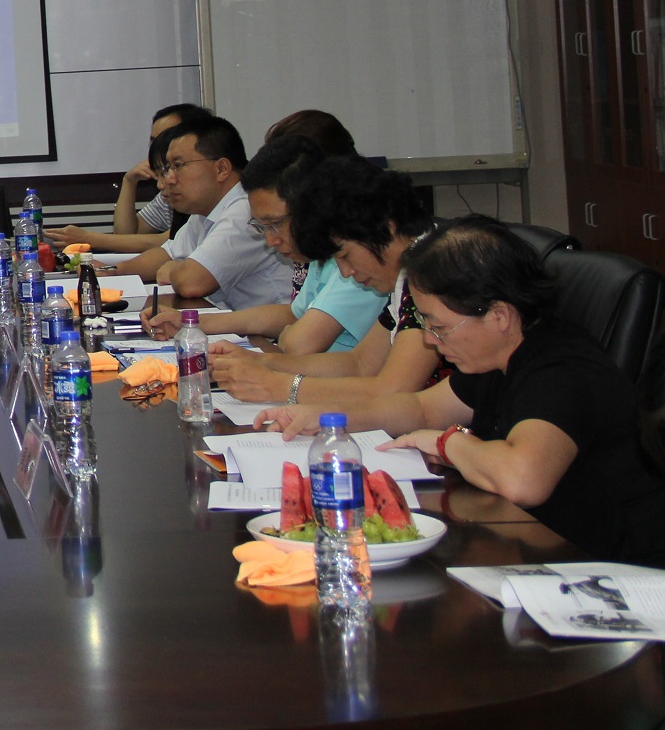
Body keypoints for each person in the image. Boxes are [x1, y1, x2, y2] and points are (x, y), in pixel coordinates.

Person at [258, 219, 665, 566]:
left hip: (607, 567)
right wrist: (327, 418)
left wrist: (447, 442)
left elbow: (523, 479)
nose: (431, 341)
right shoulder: (499, 354)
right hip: (535, 542)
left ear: (499, 315)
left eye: (440, 327)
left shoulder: (562, 369)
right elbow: (421, 409)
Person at [208, 156, 443, 408]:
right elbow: (360, 363)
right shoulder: (405, 277)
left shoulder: (434, 272)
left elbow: (393, 389)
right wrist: (262, 362)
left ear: (387, 228)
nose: (345, 272)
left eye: (345, 255)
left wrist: (278, 386)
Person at [144, 128, 385, 352]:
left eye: (275, 224)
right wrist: (190, 322)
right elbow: (292, 315)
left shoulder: (356, 256)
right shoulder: (322, 256)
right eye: (262, 227)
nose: (270, 241)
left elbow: (298, 344)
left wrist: (284, 339)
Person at [113, 115, 296, 311]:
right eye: (168, 168)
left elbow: (191, 283)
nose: (168, 179)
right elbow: (167, 253)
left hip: (271, 328)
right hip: (233, 321)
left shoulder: (246, 210)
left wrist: (174, 270)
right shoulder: (205, 209)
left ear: (221, 169)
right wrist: (112, 271)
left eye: (178, 166)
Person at [47, 102, 211, 253]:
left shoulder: (200, 194)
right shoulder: (166, 195)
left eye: (165, 137)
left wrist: (88, 238)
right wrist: (129, 181)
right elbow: (126, 234)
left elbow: (169, 241)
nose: (157, 146)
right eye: (153, 141)